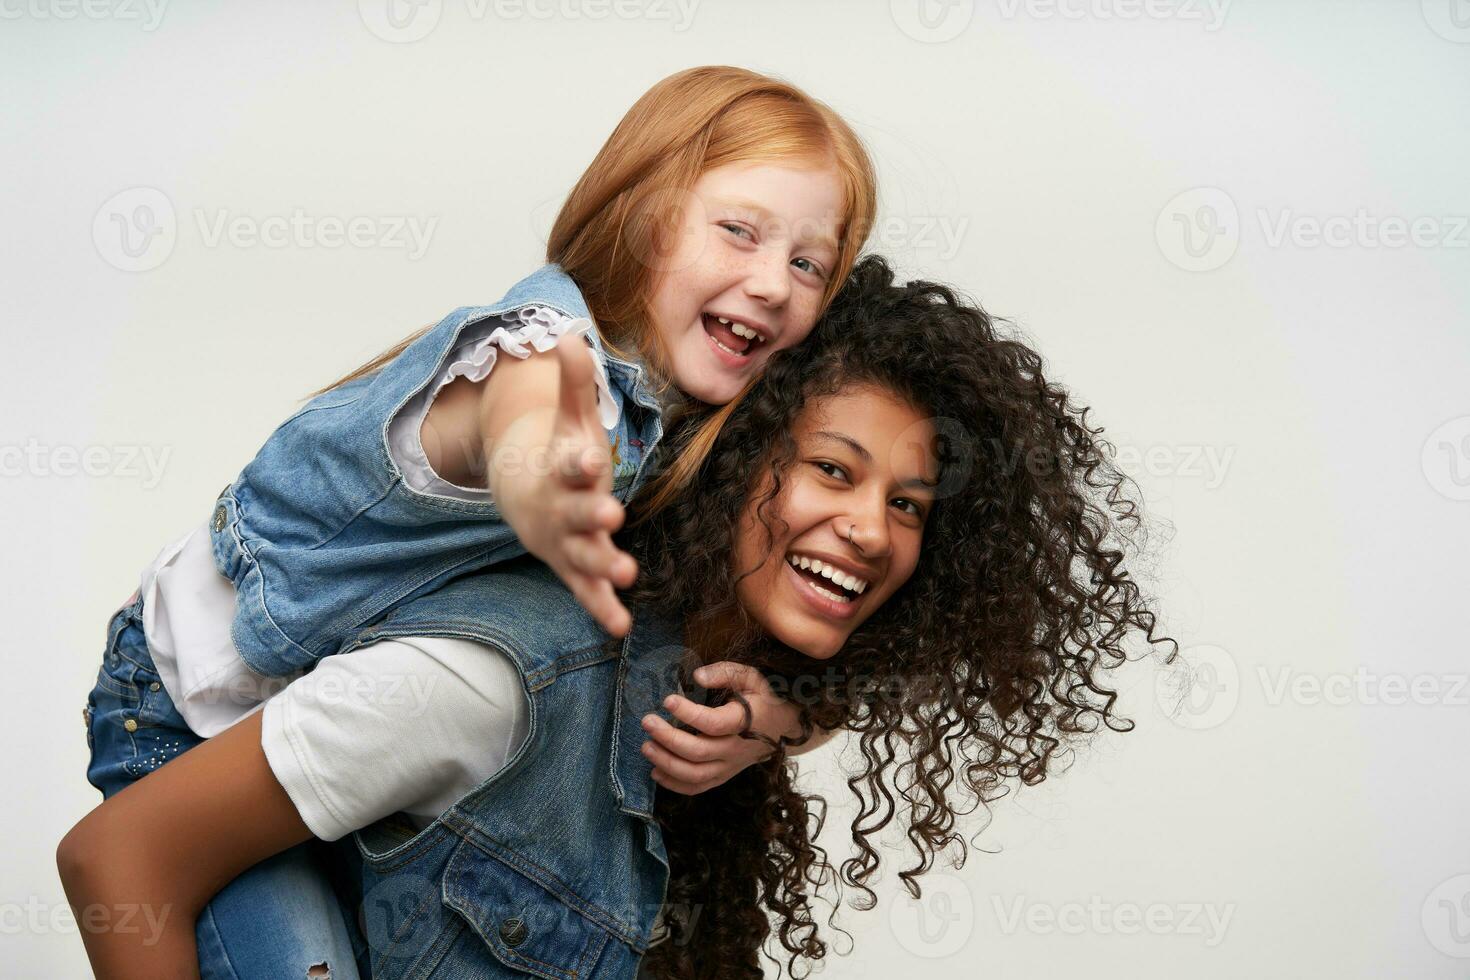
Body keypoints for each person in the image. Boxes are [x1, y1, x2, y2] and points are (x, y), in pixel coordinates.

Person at [60, 256, 1176, 980]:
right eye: (832, 469)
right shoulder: (500, 677)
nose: (873, 529)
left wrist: (792, 720)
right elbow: (121, 856)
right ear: (740, 461)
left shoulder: (715, 721)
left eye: (908, 505)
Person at [57, 64, 876, 979]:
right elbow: (515, 412)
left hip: (320, 739)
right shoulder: (543, 350)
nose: (773, 283)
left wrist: (777, 722)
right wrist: (541, 478)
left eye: (809, 263)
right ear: (642, 216)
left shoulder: (698, 426)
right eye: (739, 232)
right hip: (181, 707)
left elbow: (826, 641)